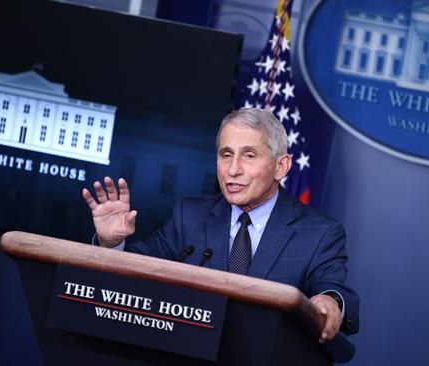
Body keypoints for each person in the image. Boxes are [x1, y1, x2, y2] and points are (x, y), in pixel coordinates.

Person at [82, 108, 359, 342]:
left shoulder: (319, 233)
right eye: (226, 155)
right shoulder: (190, 215)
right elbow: (136, 271)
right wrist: (111, 244)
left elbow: (333, 290)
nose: (233, 169)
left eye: (249, 155)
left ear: (281, 167)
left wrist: (330, 302)